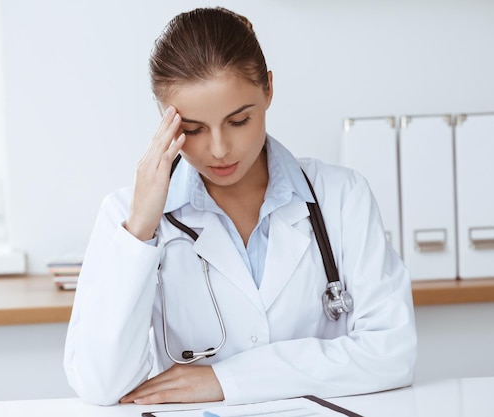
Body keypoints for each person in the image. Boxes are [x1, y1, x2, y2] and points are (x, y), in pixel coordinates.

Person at [63, 6, 416, 407]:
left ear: (267, 89)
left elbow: (392, 352)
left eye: (238, 121)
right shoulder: (126, 216)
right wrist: (140, 231)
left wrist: (227, 379)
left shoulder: (341, 196)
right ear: (166, 119)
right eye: (193, 129)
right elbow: (100, 385)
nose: (219, 149)